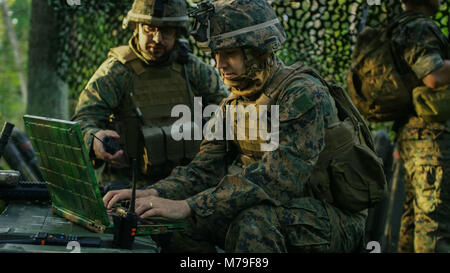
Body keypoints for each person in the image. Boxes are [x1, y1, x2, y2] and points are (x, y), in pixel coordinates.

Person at [103, 0, 375, 253]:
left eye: (230, 54)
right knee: (170, 224)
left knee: (253, 224)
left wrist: (189, 205)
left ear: (259, 51)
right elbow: (204, 169)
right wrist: (154, 194)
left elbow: (278, 178)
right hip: (276, 206)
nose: (220, 64)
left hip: (329, 217)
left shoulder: (303, 95)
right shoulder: (233, 103)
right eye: (216, 54)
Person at [72, 0, 228, 190]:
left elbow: (228, 107)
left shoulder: (192, 69)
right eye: (149, 28)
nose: (157, 38)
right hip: (129, 187)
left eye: (166, 31)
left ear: (178, 33)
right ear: (136, 27)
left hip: (185, 185)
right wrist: (95, 138)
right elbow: (84, 119)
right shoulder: (116, 72)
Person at [390, 0, 450, 253]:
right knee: (433, 228)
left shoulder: (398, 26)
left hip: (413, 136)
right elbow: (433, 75)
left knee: (414, 224)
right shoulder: (418, 26)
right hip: (430, 137)